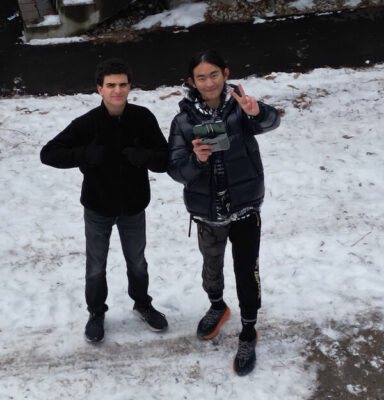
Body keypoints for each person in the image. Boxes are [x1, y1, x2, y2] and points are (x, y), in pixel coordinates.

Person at [167, 50, 280, 376]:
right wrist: (196, 159)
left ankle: (248, 330)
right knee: (211, 268)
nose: (209, 82)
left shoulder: (240, 109)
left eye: (214, 74)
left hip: (245, 209)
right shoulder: (184, 121)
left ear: (225, 73)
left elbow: (272, 122)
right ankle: (217, 306)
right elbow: (175, 170)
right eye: (201, 77)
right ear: (192, 82)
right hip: (207, 213)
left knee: (247, 272)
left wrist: (257, 111)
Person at [40, 58, 168, 343]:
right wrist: (83, 154)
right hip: (98, 208)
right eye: (111, 85)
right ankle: (96, 312)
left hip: (134, 208)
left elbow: (166, 157)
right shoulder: (87, 124)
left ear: (130, 86)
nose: (117, 91)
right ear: (99, 89)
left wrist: (143, 157)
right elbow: (48, 153)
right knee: (96, 265)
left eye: (122, 84)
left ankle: (142, 303)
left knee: (137, 262)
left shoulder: (143, 118)